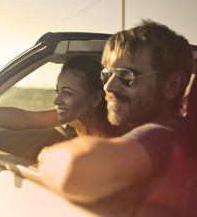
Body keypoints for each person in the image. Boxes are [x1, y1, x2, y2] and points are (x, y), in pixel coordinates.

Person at [37, 19, 196, 216]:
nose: (108, 86)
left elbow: (76, 170)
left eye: (126, 75)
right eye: (107, 74)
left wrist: (46, 158)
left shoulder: (164, 135)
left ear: (172, 85)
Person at [0, 57, 122, 141]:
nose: (56, 100)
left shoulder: (122, 134)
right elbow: (23, 119)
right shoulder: (76, 119)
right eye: (57, 91)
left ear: (95, 99)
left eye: (67, 93)